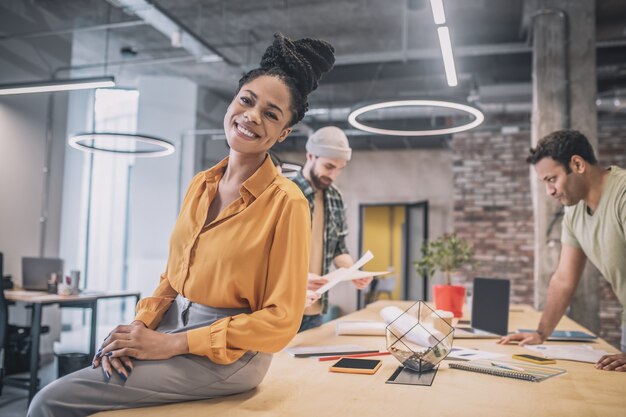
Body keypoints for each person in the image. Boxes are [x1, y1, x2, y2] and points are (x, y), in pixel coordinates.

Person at [28, 33, 335, 416]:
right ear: (233, 101)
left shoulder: (286, 201)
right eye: (247, 100)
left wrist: (173, 344)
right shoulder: (201, 184)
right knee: (99, 367)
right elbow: (173, 277)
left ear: (283, 133)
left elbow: (282, 320)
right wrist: (139, 326)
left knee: (51, 399)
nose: (253, 116)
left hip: (229, 356)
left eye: (271, 114)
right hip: (169, 328)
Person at [499, 129, 626, 372]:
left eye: (552, 179)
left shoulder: (622, 195)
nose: (550, 191)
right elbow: (564, 279)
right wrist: (540, 334)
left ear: (577, 164)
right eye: (544, 182)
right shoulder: (574, 213)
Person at [292, 126, 372, 332]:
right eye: (329, 166)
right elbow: (266, 253)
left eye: (340, 169)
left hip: (315, 308)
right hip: (284, 306)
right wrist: (298, 277)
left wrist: (354, 272)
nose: (334, 175)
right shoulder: (286, 192)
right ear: (310, 156)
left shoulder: (335, 197)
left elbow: (339, 249)